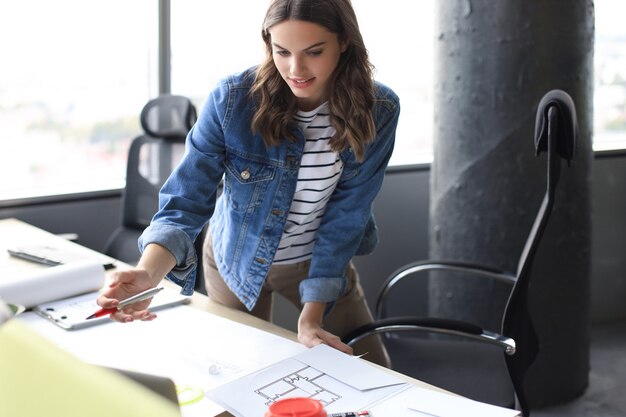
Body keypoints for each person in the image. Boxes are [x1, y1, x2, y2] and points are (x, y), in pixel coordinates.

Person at [97, 0, 400, 367]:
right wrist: (148, 273)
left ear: (344, 42)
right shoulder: (233, 100)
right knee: (239, 376)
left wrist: (313, 313)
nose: (296, 69)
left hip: (319, 260)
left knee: (370, 370)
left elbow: (348, 214)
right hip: (234, 258)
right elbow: (186, 199)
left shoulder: (378, 107)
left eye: (314, 52)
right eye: (282, 51)